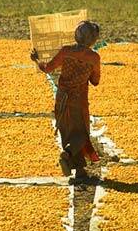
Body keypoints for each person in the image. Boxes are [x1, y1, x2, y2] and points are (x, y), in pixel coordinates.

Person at [32, 20, 102, 181]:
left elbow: (48, 68)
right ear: (92, 39)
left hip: (62, 97)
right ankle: (68, 154)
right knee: (82, 133)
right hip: (79, 100)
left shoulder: (66, 51)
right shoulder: (93, 57)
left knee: (67, 132)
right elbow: (95, 81)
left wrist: (36, 60)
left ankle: (80, 172)